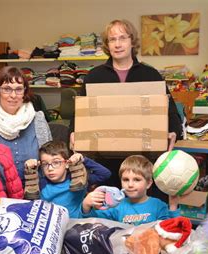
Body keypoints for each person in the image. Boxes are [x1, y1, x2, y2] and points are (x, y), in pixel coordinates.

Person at [74, 19, 184, 200]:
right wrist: (73, 133)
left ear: (132, 41)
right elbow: (81, 113)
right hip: (106, 163)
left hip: (144, 161)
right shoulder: (94, 77)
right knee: (110, 210)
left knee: (144, 211)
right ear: (107, 45)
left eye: (122, 38)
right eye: (112, 39)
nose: (117, 44)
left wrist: (173, 131)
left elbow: (170, 111)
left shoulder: (150, 75)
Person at [0, 66, 52, 182]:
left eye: (19, 89)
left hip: (37, 192)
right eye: (7, 89)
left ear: (25, 91)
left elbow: (50, 159)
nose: (13, 95)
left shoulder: (38, 119)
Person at [82, 155, 180, 225]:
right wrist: (86, 205)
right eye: (125, 180)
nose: (130, 185)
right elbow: (92, 220)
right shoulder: (117, 206)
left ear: (149, 183)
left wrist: (173, 206)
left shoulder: (158, 205)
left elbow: (170, 230)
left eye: (137, 180)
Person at [24, 140, 111, 218]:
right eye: (45, 164)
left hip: (78, 224)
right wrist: (29, 167)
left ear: (67, 163)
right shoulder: (40, 184)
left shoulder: (78, 180)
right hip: (53, 227)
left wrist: (83, 159)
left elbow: (105, 174)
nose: (50, 168)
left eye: (56, 162)